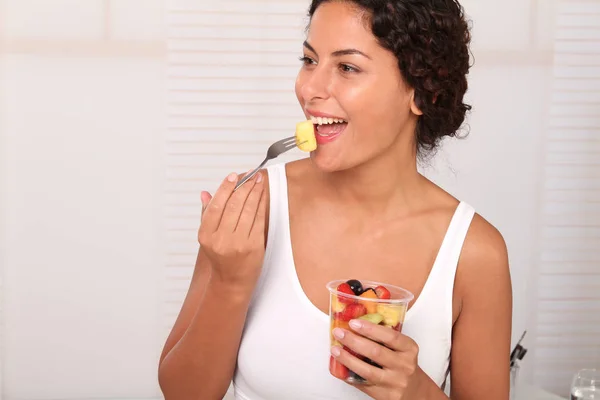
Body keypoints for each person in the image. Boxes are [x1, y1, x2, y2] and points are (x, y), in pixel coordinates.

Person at [157, 0, 513, 398]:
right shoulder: (252, 206)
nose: (309, 88)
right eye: (309, 60)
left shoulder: (475, 254)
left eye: (347, 67)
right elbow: (182, 394)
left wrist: (417, 391)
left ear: (422, 90)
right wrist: (229, 281)